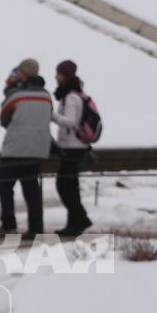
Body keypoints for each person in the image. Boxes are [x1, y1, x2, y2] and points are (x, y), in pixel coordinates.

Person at [0, 58, 55, 239]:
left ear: (22, 73)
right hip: (38, 148)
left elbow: (3, 119)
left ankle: (9, 224)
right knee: (31, 187)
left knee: (4, 185)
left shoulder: (15, 96)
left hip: (15, 148)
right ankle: (36, 227)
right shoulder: (46, 95)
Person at [51, 59, 94, 239]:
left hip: (73, 147)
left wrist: (51, 115)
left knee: (64, 185)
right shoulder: (72, 95)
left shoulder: (71, 97)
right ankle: (75, 222)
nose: (55, 76)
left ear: (65, 76)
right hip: (72, 146)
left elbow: (70, 121)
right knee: (69, 186)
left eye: (58, 74)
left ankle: (80, 219)